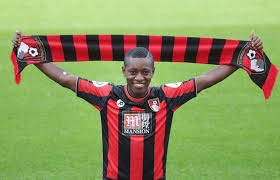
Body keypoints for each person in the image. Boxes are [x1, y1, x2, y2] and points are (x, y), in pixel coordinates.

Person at [12, 31, 263, 180]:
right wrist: (31, 54)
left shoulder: (165, 98)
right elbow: (66, 79)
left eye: (145, 72)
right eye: (133, 72)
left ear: (154, 71)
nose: (139, 77)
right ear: (123, 71)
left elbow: (206, 80)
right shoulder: (107, 95)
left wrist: (241, 58)